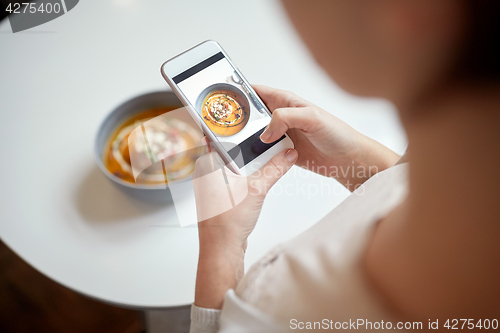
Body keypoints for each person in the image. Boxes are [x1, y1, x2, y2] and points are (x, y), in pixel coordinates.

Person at [189, 1, 500, 332]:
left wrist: (221, 247)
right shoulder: (469, 150)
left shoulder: (281, 314)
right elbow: (419, 195)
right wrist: (353, 161)